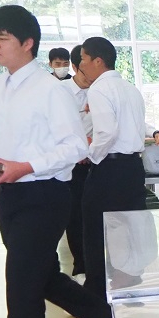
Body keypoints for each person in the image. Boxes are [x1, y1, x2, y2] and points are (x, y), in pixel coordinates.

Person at [0, 6, 120, 318]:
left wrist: (25, 166)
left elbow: (75, 147)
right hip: (8, 195)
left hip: (44, 195)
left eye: (3, 38)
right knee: (42, 276)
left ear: (28, 44)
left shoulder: (50, 90)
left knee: (22, 281)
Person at [77, 36, 159, 306]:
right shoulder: (130, 89)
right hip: (132, 167)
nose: (81, 66)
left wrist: (90, 156)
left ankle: (95, 291)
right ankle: (129, 282)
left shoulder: (99, 90)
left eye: (83, 59)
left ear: (97, 60)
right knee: (131, 225)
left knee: (93, 227)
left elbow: (106, 132)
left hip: (110, 168)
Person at [61, 44, 92, 278]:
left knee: (95, 215)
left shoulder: (99, 89)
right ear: (74, 67)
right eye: (84, 71)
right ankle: (79, 266)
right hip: (72, 166)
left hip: (96, 161)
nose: (89, 76)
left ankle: (99, 267)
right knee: (75, 217)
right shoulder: (60, 92)